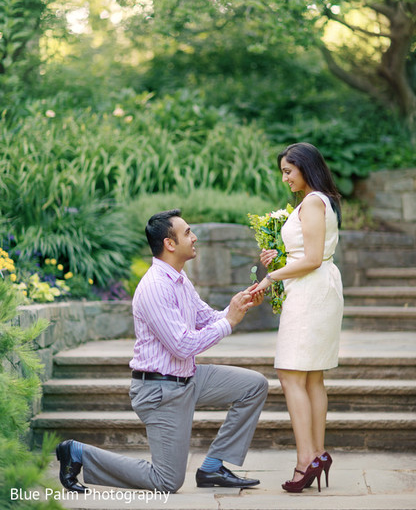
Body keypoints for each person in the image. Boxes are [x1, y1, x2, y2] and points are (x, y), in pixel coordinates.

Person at [56, 209, 268, 495]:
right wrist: (229, 322)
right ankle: (78, 453)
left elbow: (207, 318)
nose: (194, 238)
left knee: (253, 386)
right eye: (187, 233)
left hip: (187, 378)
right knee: (166, 481)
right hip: (160, 391)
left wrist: (236, 306)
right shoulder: (155, 287)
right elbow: (182, 346)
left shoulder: (180, 281)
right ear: (170, 244)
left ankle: (213, 467)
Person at [252, 142, 343, 493]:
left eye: (289, 170)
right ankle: (316, 454)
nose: (285, 178)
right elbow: (305, 252)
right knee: (311, 376)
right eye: (283, 173)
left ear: (306, 166)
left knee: (290, 373)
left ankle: (306, 459)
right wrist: (277, 258)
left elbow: (313, 258)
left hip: (310, 292)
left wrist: (271, 277)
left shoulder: (314, 201)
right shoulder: (318, 200)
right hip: (313, 288)